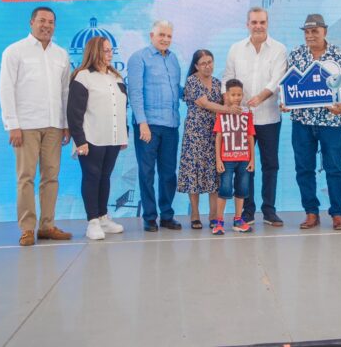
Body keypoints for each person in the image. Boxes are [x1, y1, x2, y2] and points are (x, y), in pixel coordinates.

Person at [0, 6, 72, 246]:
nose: (46, 25)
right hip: (26, 125)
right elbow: (6, 88)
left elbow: (65, 91)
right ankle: (27, 228)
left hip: (54, 125)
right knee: (26, 177)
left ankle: (47, 226)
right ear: (31, 23)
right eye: (42, 20)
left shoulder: (61, 54)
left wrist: (66, 124)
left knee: (51, 177)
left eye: (51, 22)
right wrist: (12, 124)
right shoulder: (14, 51)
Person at [286, 13, 341, 231]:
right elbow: (288, 85)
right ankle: (311, 212)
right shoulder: (295, 54)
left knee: (334, 168)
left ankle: (337, 213)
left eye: (314, 31)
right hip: (302, 122)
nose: (310, 35)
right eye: (307, 32)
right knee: (303, 169)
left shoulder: (337, 54)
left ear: (324, 31)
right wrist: (285, 101)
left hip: (331, 122)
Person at [222, 7, 287, 226]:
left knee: (270, 165)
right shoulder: (236, 49)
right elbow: (227, 78)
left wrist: (260, 97)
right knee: (244, 167)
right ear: (247, 24)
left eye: (262, 22)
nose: (258, 26)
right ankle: (247, 211)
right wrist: (229, 104)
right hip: (241, 119)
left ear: (267, 23)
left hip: (269, 117)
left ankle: (269, 211)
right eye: (254, 22)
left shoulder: (279, 49)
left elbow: (277, 80)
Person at [67, 36, 128, 240]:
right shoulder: (83, 76)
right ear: (94, 52)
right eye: (105, 50)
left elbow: (122, 108)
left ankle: (103, 217)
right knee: (92, 177)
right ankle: (92, 222)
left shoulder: (116, 77)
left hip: (113, 137)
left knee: (105, 177)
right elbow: (74, 112)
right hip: (91, 137)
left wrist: (123, 134)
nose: (110, 54)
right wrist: (80, 140)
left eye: (111, 50)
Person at [127, 20, 182, 232]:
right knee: (147, 172)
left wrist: (199, 94)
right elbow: (135, 93)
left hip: (171, 125)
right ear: (152, 35)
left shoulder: (173, 59)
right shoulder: (138, 58)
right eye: (161, 35)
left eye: (169, 36)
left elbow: (176, 88)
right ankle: (150, 217)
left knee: (168, 173)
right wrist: (142, 123)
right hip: (148, 125)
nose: (165, 39)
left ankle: (167, 215)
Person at [178, 50, 242, 229]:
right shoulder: (192, 81)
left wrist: (239, 106)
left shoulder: (218, 83)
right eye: (203, 63)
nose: (208, 66)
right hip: (195, 134)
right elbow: (205, 103)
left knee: (214, 174)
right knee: (194, 172)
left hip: (215, 134)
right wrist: (228, 110)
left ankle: (214, 216)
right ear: (196, 66)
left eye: (210, 62)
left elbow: (227, 102)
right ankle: (195, 215)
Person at [212, 79, 256, 235]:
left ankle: (238, 219)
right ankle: (219, 221)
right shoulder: (222, 113)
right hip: (227, 159)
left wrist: (252, 159)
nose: (236, 98)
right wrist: (218, 159)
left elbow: (250, 136)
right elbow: (218, 137)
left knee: (242, 189)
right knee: (224, 189)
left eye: (239, 95)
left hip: (243, 159)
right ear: (226, 95)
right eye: (233, 95)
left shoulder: (247, 113)